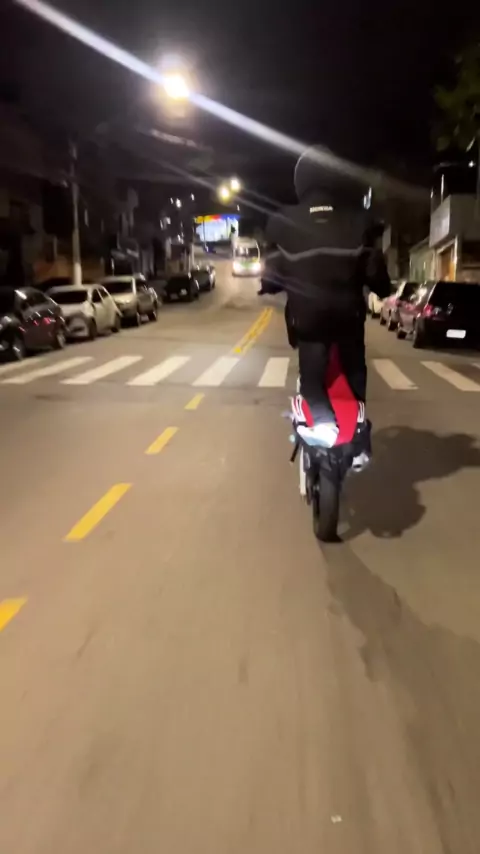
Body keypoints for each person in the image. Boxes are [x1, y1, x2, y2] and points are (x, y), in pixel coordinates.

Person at [259, 146, 391, 466]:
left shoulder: (282, 221)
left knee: (312, 376)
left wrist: (271, 285)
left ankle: (323, 422)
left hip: (308, 322)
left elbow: (271, 275)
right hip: (348, 319)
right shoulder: (359, 221)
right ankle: (358, 440)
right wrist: (381, 288)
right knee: (355, 371)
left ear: (300, 182)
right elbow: (376, 274)